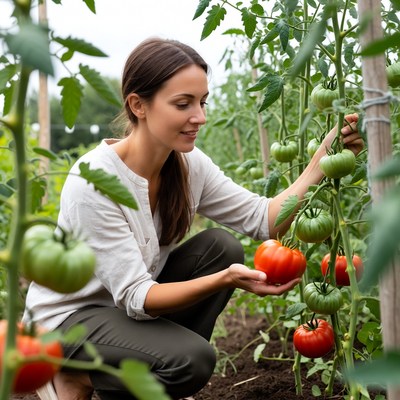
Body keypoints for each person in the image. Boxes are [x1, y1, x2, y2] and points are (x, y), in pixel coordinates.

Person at [24, 37, 363, 400]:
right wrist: (226, 279)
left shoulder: (186, 164)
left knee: (220, 247)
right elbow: (139, 297)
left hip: (123, 316)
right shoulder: (93, 181)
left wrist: (321, 163)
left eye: (202, 102)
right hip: (69, 322)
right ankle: (76, 374)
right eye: (183, 104)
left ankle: (137, 383)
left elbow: (262, 219)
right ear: (138, 105)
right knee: (193, 360)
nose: (199, 116)